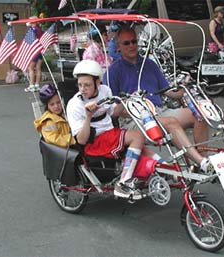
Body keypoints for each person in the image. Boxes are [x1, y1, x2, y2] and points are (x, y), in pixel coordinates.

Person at [103, 25, 212, 173]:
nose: (132, 45)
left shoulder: (149, 64)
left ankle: (203, 162)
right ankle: (201, 161)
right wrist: (128, 103)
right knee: (171, 122)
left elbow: (169, 93)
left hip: (160, 111)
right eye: (126, 43)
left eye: (134, 41)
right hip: (135, 120)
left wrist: (184, 87)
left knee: (199, 112)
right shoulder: (112, 72)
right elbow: (112, 111)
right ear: (118, 47)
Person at [66, 60, 159, 200]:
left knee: (142, 148)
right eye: (80, 85)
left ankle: (164, 168)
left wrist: (124, 100)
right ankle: (123, 182)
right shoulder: (75, 105)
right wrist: (88, 117)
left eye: (87, 85)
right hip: (94, 141)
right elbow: (81, 140)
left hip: (110, 134)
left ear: (97, 82)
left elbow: (113, 112)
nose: (82, 89)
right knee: (137, 137)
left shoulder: (105, 90)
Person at [25, 17, 43, 92]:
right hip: (40, 50)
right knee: (38, 68)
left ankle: (31, 85)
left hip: (34, 51)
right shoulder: (40, 30)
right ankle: (37, 85)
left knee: (30, 68)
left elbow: (29, 40)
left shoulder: (32, 30)